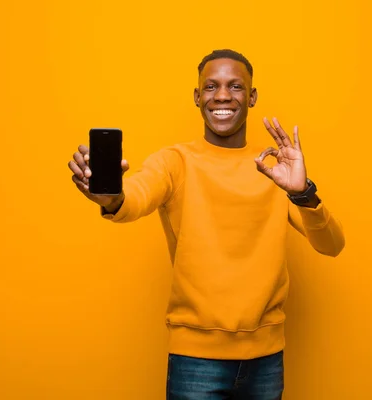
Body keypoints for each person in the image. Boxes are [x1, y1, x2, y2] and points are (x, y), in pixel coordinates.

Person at [68, 49, 345, 399]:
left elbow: (332, 245)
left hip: (267, 358)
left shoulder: (274, 168)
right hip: (195, 360)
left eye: (236, 86)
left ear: (252, 96)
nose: (223, 96)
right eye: (211, 86)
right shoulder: (175, 162)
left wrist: (303, 193)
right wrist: (112, 199)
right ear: (197, 97)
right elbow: (136, 195)